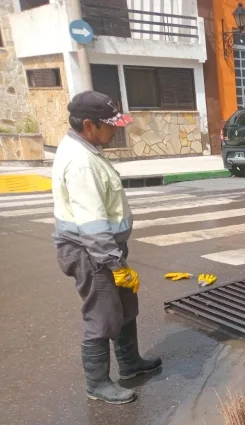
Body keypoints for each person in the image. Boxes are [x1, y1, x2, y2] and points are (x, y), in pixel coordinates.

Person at [53, 91, 161, 404]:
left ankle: (130, 364)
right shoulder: (81, 163)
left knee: (126, 307)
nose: (116, 130)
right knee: (101, 316)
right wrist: (115, 265)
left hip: (105, 250)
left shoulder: (87, 148)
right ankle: (97, 383)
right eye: (110, 125)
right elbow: (92, 224)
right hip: (91, 253)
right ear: (89, 125)